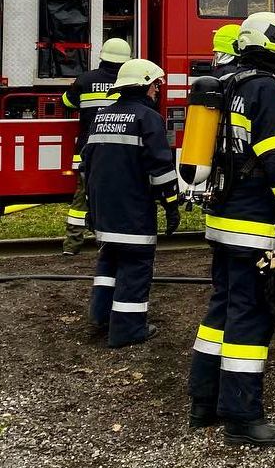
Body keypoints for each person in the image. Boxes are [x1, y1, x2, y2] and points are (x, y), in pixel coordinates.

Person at [187, 12, 275, 447]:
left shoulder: (224, 84)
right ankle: (242, 418)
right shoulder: (266, 89)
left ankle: (204, 402)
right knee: (251, 316)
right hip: (254, 226)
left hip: (223, 221)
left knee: (221, 311)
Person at [82, 59, 180, 348]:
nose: (157, 90)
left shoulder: (102, 116)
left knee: (109, 259)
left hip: (104, 208)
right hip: (133, 210)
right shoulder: (148, 118)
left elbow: (88, 164)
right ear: (145, 85)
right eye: (155, 85)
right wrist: (171, 205)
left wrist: (91, 207)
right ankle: (127, 330)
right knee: (135, 267)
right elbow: (161, 169)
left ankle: (101, 315)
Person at [61, 38, 133, 255]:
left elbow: (66, 102)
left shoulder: (85, 79)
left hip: (86, 152)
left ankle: (72, 244)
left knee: (80, 199)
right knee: (113, 196)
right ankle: (108, 242)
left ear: (102, 57)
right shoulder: (128, 83)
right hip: (117, 152)